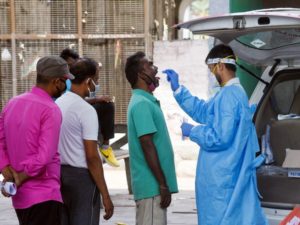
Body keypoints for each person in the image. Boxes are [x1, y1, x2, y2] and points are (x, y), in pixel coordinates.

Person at [163, 44, 268, 225]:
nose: (212, 75)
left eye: (212, 69)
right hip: (225, 174)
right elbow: (204, 111)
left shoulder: (229, 96)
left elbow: (220, 137)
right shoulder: (231, 93)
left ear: (220, 66)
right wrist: (179, 90)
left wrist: (193, 131)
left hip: (221, 179)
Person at [0, 56, 74, 225]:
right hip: (44, 195)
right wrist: (20, 177)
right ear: (57, 81)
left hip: (20, 198)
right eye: (65, 81)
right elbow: (44, 156)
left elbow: (0, 141)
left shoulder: (13, 103)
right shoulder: (50, 109)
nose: (65, 86)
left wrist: (6, 170)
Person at [56, 57, 114, 225]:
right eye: (96, 80)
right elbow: (92, 157)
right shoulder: (86, 110)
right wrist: (105, 194)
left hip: (59, 174)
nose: (96, 84)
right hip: (82, 179)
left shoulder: (58, 104)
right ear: (88, 81)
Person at [125, 51, 178, 225]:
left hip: (152, 188)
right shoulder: (142, 104)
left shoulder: (146, 101)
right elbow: (147, 145)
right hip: (152, 188)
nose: (155, 69)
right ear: (141, 74)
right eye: (150, 65)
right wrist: (162, 184)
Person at [60, 48, 119, 167]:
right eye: (95, 79)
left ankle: (105, 146)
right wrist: (96, 99)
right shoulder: (62, 81)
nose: (71, 68)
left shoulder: (78, 89)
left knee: (106, 106)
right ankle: (96, 145)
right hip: (68, 114)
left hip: (79, 107)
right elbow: (71, 100)